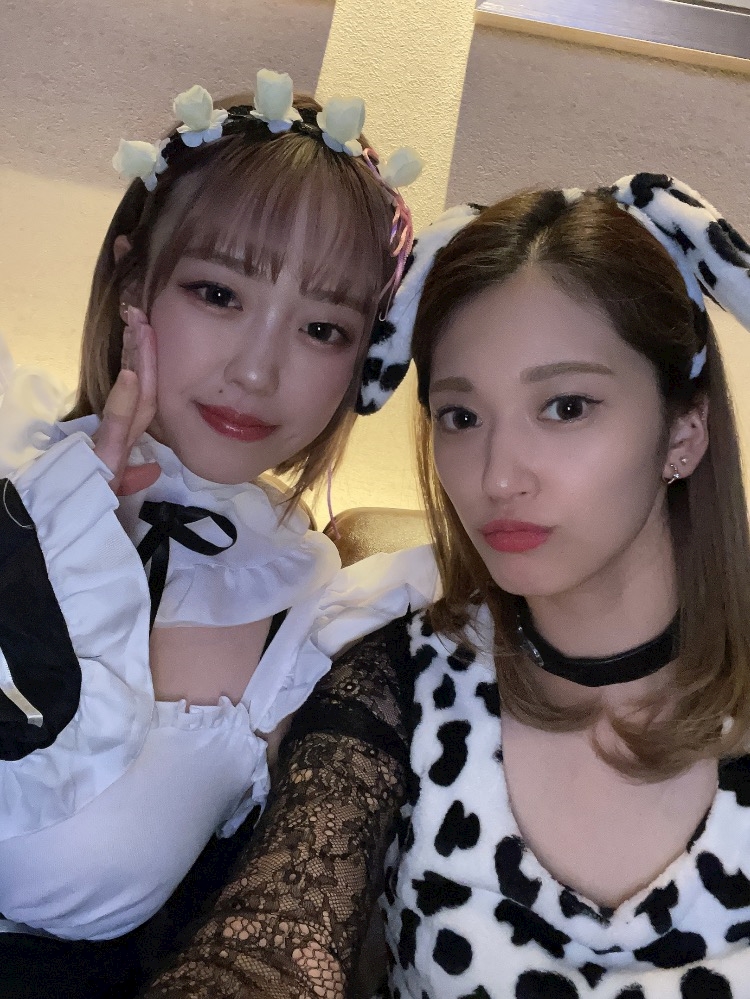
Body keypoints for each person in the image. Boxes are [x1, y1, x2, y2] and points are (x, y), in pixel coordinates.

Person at [143, 175, 750, 999]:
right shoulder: (399, 681)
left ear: (685, 430)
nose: (497, 477)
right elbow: (264, 950)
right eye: (461, 417)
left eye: (566, 406)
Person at [0, 69, 426, 996]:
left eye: (324, 328)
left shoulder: (312, 608)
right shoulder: (14, 466)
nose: (258, 371)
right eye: (220, 294)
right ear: (132, 280)